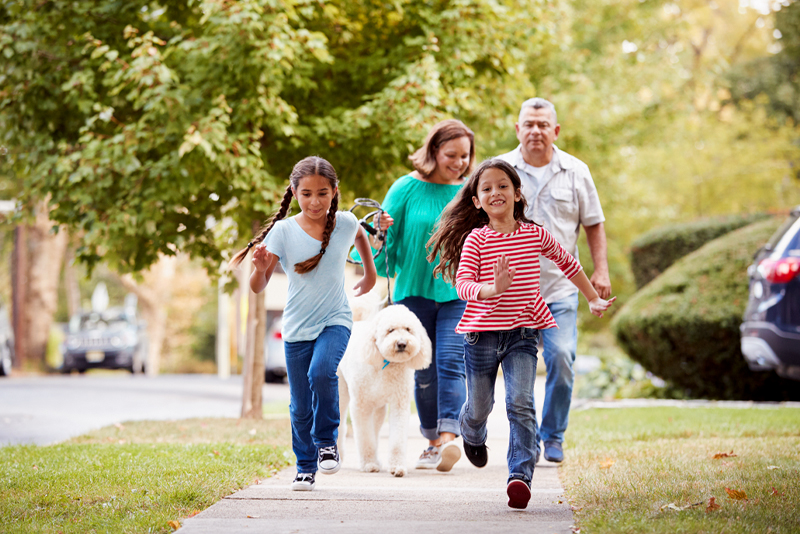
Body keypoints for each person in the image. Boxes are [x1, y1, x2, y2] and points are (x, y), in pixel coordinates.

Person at [426, 159, 615, 509]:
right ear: (477, 202)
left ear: (516, 193)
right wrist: (492, 289)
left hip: (522, 334)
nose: (495, 192)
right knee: (480, 405)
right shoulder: (476, 239)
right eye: (486, 188)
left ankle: (520, 476)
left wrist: (591, 298)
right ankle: (472, 433)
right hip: (481, 335)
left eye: (502, 186)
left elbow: (568, 262)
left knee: (521, 403)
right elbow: (463, 284)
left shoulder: (534, 233)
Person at [230, 156, 385, 491]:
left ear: (334, 192)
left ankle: (327, 443)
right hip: (297, 327)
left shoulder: (344, 222)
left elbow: (361, 237)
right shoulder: (283, 232)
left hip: (336, 319)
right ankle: (304, 466)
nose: (315, 201)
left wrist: (370, 273)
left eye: (323, 193)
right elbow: (260, 286)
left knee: (322, 372)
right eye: (307, 194)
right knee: (300, 405)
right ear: (294, 192)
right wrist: (258, 269)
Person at [496, 97, 611, 464]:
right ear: (518, 129)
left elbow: (593, 222)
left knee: (562, 358)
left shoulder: (577, 171)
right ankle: (524, 443)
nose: (535, 131)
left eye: (543, 124)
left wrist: (601, 270)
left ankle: (554, 435)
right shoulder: (500, 171)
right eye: (528, 124)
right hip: (513, 294)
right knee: (518, 375)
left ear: (555, 130)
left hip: (562, 288)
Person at [359, 119, 476, 472]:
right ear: (434, 151)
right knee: (422, 370)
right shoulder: (405, 188)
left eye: (464, 156)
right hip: (413, 294)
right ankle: (431, 441)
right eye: (450, 155)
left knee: (451, 363)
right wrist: (379, 232)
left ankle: (448, 439)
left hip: (457, 291)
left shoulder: (470, 191)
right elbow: (385, 251)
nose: (458, 163)